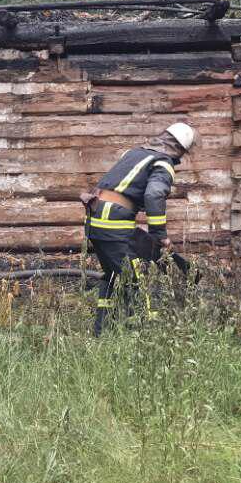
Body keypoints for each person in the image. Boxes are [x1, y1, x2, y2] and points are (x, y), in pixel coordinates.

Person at [83, 122, 197, 335]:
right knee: (136, 281)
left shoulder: (134, 153)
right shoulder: (163, 162)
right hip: (112, 222)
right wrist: (158, 235)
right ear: (180, 149)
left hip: (95, 218)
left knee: (113, 276)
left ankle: (101, 333)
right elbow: (154, 195)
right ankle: (145, 336)